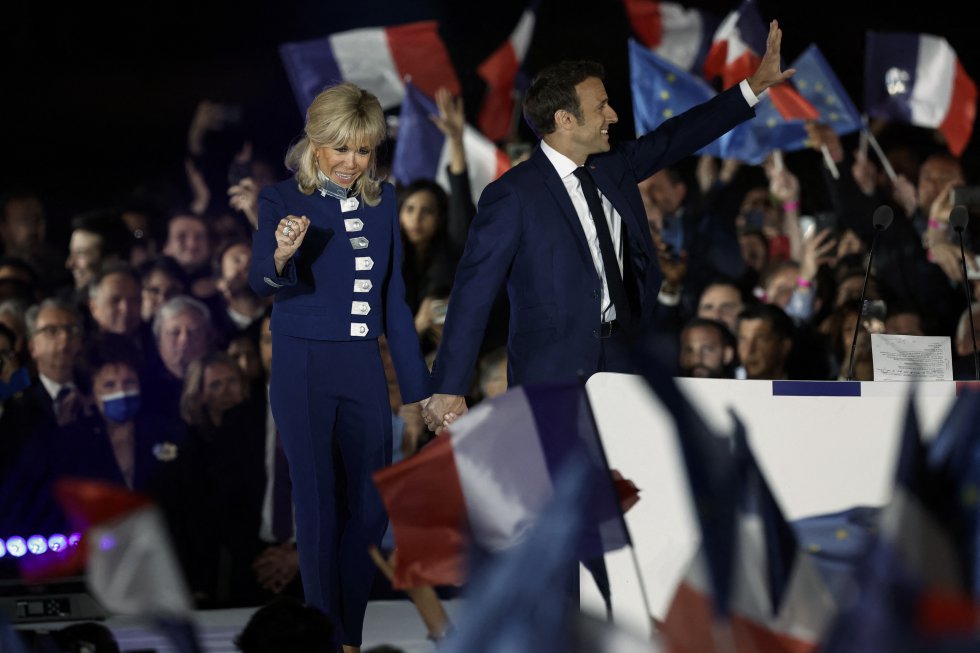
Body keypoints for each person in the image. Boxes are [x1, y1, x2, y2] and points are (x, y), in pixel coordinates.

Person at [424, 21, 795, 429]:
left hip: (625, 356)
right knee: (566, 484)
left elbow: (680, 134)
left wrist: (754, 86)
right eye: (601, 106)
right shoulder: (512, 195)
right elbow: (472, 292)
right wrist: (449, 385)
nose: (613, 115)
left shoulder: (615, 166)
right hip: (551, 370)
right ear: (565, 119)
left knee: (629, 478)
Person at [247, 82, 429, 652]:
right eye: (342, 149)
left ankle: (342, 633)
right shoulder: (280, 199)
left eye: (365, 150)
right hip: (302, 367)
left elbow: (395, 303)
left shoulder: (386, 202)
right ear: (316, 143)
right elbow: (261, 279)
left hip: (361, 367)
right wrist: (281, 252)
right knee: (319, 506)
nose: (353, 163)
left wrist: (420, 391)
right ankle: (336, 639)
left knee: (373, 508)